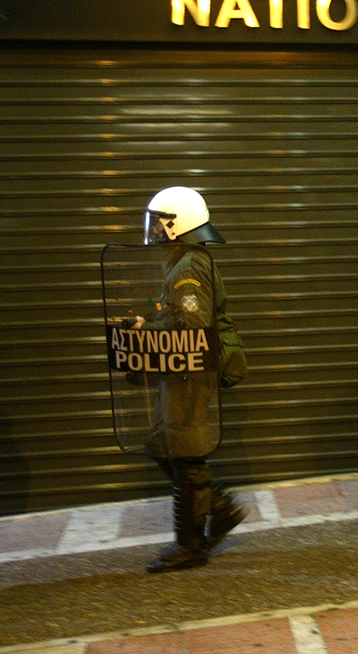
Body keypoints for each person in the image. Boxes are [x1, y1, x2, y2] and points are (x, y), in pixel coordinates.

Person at [135, 186, 246, 573]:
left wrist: (148, 332)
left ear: (174, 223)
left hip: (189, 372)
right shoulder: (184, 260)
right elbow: (178, 319)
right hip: (179, 370)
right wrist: (149, 323)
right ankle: (218, 507)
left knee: (185, 452)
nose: (151, 229)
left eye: (157, 221)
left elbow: (193, 326)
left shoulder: (189, 267)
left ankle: (191, 545)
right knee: (163, 444)